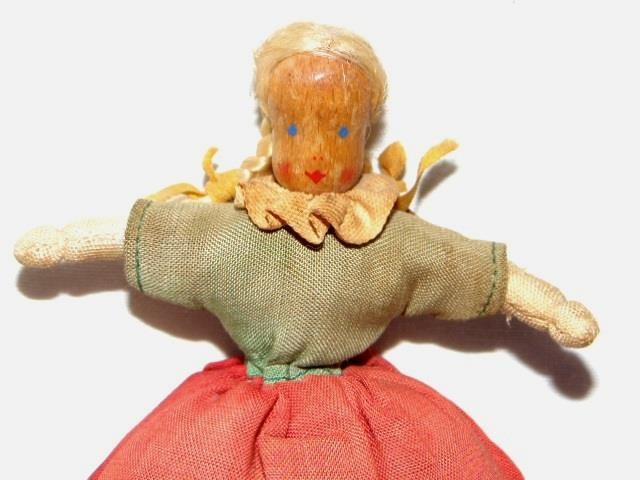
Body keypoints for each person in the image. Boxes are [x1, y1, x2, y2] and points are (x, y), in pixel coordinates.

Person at [14, 22, 597, 479]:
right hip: (238, 415)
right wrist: (65, 242)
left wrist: (554, 309)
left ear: (364, 133)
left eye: (340, 131)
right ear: (273, 130)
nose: (317, 153)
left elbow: (462, 268)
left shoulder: (391, 239)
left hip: (369, 411)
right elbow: (147, 235)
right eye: (296, 129)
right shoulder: (230, 234)